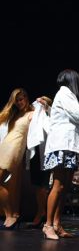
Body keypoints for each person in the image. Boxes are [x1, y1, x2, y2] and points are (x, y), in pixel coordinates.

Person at [42, 69, 79, 240]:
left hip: (70, 146)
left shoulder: (68, 95)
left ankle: (57, 224)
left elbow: (72, 120)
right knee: (58, 186)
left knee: (65, 188)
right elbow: (77, 115)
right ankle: (48, 225)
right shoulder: (64, 93)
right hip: (62, 145)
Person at [0, 88, 34, 229]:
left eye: (21, 99)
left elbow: (46, 126)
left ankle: (10, 215)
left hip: (15, 149)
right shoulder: (15, 114)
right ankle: (12, 214)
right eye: (17, 100)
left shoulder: (33, 114)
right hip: (5, 146)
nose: (19, 102)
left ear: (26, 98)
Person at [26, 96, 52, 228]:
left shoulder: (50, 115)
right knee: (37, 185)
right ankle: (41, 211)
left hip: (47, 152)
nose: (39, 103)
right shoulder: (32, 115)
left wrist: (46, 107)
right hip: (35, 152)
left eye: (43, 101)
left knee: (44, 186)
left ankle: (44, 214)